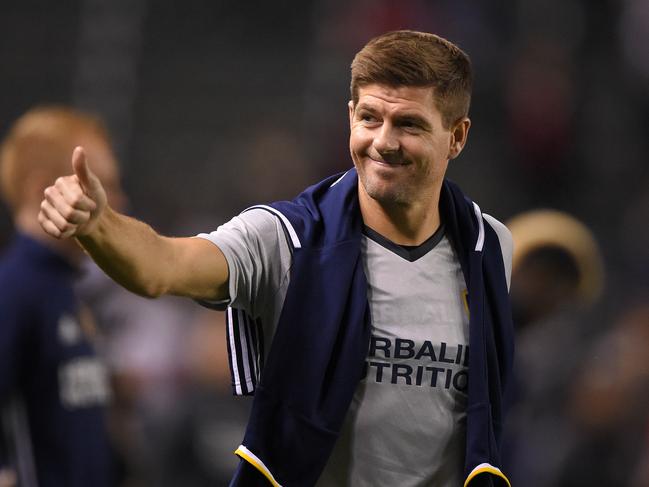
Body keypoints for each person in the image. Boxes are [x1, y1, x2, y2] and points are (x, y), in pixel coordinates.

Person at [38, 31, 514, 487]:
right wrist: (98, 223)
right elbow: (163, 266)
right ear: (350, 116)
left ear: (457, 136)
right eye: (370, 118)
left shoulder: (488, 247)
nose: (383, 141)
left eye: (408, 124)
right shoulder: (283, 239)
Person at [0, 106, 124, 486]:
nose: (119, 203)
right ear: (43, 190)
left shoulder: (66, 291)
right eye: (101, 185)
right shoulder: (13, 292)